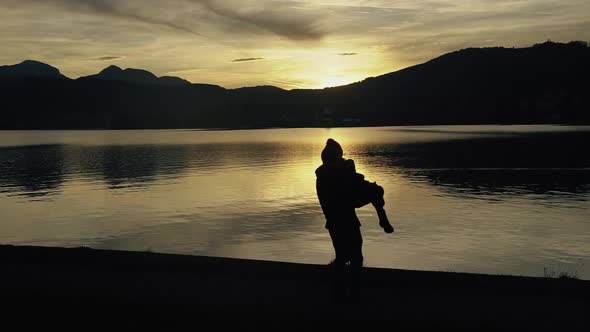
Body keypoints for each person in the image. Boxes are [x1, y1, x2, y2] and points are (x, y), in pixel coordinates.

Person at [315, 138, 394, 303]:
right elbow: (349, 188)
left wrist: (349, 170)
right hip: (344, 220)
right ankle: (352, 294)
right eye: (338, 157)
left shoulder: (324, 175)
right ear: (334, 158)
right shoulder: (332, 176)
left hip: (336, 221)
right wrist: (349, 168)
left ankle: (341, 292)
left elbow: (353, 185)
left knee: (344, 256)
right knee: (354, 258)